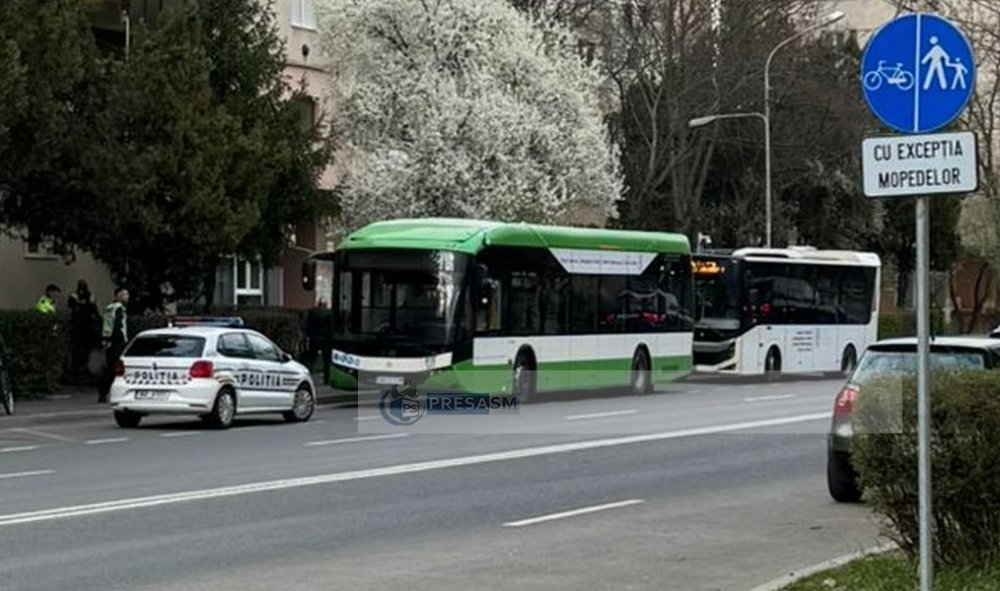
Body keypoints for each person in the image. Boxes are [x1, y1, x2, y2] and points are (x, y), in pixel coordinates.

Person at [99, 287, 129, 403]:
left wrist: (105, 339)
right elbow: (118, 326)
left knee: (109, 369)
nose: (127, 297)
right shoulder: (119, 309)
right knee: (117, 369)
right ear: (118, 296)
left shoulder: (109, 308)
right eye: (125, 294)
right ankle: (117, 393)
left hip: (108, 341)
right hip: (118, 342)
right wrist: (116, 339)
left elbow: (107, 324)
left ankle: (103, 393)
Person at [68, 280, 102, 371]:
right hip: (78, 325)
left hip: (87, 326)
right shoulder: (74, 296)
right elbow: (71, 306)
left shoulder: (90, 296)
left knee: (85, 348)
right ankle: (77, 367)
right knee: (77, 348)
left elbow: (94, 309)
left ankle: (83, 366)